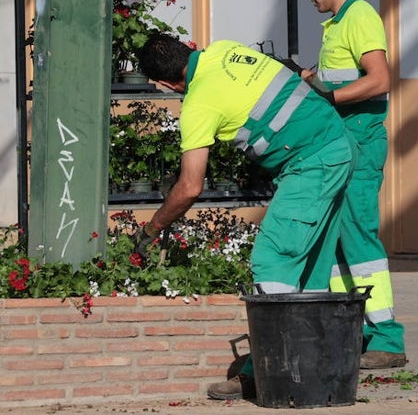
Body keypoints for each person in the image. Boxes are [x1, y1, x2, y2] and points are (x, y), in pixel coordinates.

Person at [135, 32, 355, 400]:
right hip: (337, 145)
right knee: (312, 272)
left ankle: (273, 375)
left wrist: (152, 229)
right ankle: (317, 373)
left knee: (271, 259)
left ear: (164, 83)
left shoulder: (199, 103)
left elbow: (190, 186)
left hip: (311, 164)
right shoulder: (224, 50)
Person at [295, 0, 407, 370]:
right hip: (346, 141)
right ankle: (356, 333)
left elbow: (379, 80)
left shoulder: (360, 16)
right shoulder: (339, 23)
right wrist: (308, 77)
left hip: (359, 141)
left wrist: (328, 96)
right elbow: (341, 76)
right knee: (342, 239)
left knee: (359, 238)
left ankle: (387, 340)